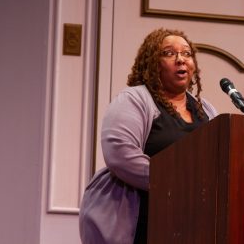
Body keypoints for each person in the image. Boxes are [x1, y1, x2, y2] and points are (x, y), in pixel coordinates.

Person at [79, 28, 217, 244]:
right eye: (169, 53)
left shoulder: (205, 109)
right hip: (138, 219)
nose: (181, 60)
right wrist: (180, 183)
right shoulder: (134, 100)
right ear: (152, 63)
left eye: (187, 54)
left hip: (189, 219)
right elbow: (121, 154)